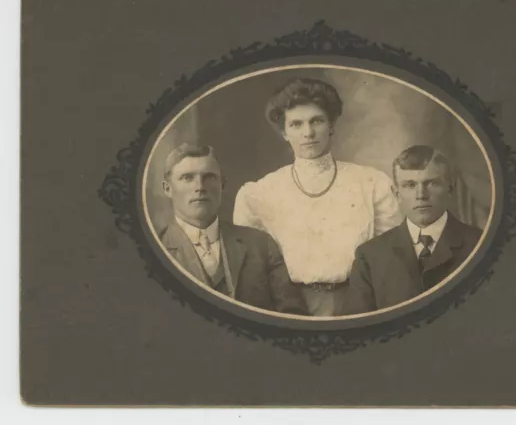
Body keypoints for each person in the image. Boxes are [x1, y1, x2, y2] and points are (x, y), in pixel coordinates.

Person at [233, 78, 402, 316]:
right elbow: (253, 272)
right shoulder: (258, 194)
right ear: (284, 131)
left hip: (360, 304)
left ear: (331, 124)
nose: (308, 133)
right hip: (288, 308)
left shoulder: (371, 183)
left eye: (317, 121)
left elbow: (390, 260)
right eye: (296, 124)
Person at [159, 143, 307, 315]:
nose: (199, 186)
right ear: (168, 189)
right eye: (187, 178)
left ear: (222, 185)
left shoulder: (261, 245)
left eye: (209, 177)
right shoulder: (156, 247)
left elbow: (293, 315)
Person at [342, 144, 483, 315]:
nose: (421, 195)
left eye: (431, 183)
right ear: (396, 194)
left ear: (450, 189)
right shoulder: (370, 256)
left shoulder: (479, 244)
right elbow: (360, 330)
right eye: (409, 185)